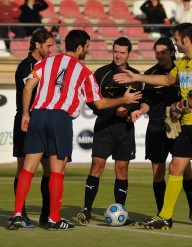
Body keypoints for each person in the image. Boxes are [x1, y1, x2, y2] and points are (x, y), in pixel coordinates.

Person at [8, 30, 142, 231]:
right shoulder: (84, 71)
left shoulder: (48, 61)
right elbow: (99, 103)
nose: (88, 50)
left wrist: (26, 114)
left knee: (28, 168)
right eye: (87, 47)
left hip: (38, 115)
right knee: (57, 169)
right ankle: (54, 219)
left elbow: (28, 87)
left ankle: (17, 214)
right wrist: (124, 99)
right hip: (59, 118)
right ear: (79, 48)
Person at [114, 23, 192, 230]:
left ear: (186, 40)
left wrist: (183, 105)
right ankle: (165, 216)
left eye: (177, 39)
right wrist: (136, 77)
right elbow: (166, 79)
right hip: (186, 125)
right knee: (175, 167)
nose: (176, 42)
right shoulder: (182, 64)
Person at [131, 37, 192, 225]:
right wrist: (141, 110)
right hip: (156, 126)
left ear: (172, 52)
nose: (160, 55)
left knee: (185, 169)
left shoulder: (182, 70)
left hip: (179, 125)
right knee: (157, 170)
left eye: (164, 52)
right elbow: (146, 101)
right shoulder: (150, 74)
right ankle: (163, 214)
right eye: (157, 52)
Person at [76, 37, 141, 226]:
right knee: (97, 166)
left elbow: (138, 103)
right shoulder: (101, 74)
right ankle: (86, 210)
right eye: (115, 51)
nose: (118, 55)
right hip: (104, 126)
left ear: (129, 53)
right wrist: (116, 109)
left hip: (125, 129)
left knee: (122, 170)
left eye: (122, 52)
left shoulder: (135, 76)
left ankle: (121, 212)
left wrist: (132, 113)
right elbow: (92, 103)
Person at [12, 28, 54, 228]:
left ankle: (46, 215)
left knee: (48, 170)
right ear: (37, 45)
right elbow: (29, 90)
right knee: (23, 169)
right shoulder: (26, 66)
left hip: (44, 122)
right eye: (48, 45)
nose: (51, 49)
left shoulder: (49, 65)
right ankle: (21, 214)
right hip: (25, 122)